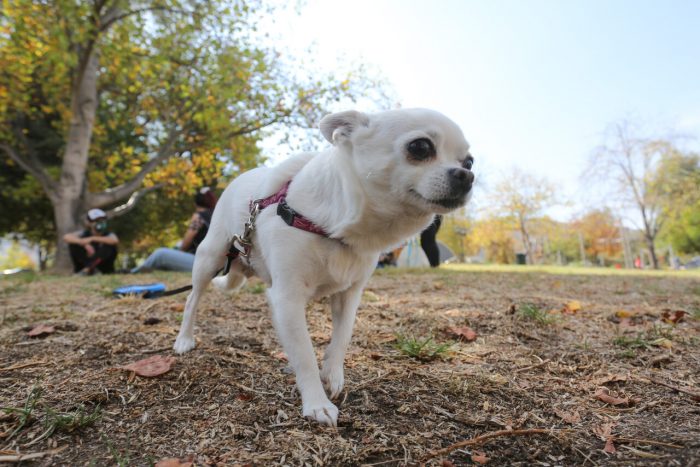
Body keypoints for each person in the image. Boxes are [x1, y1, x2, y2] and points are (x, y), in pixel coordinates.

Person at [131, 187, 217, 273]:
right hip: (217, 263)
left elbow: (184, 245)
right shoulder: (217, 216)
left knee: (160, 254)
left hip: (203, 264)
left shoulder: (198, 217)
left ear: (195, 203)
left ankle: (134, 272)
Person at [63, 208, 119, 275]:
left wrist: (92, 239)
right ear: (89, 223)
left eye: (103, 220)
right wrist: (83, 243)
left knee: (109, 245)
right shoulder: (83, 234)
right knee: (74, 244)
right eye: (97, 220)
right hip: (84, 266)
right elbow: (66, 237)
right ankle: (87, 270)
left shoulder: (109, 235)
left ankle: (88, 269)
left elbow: (115, 240)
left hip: (103, 270)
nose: (101, 222)